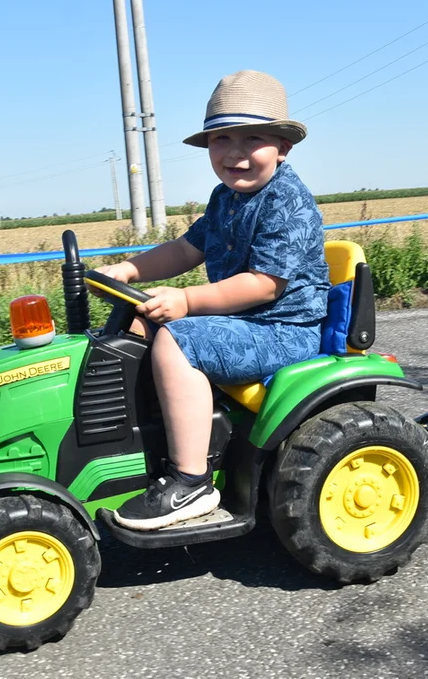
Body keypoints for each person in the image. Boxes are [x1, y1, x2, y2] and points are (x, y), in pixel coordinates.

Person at [94, 70, 330, 530]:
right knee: (134, 329)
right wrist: (129, 269)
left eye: (253, 138)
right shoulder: (225, 199)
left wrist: (185, 301)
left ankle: (192, 480)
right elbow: (186, 249)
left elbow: (264, 285)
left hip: (280, 329)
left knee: (178, 341)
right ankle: (138, 446)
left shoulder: (287, 201)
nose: (236, 153)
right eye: (222, 139)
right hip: (243, 322)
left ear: (283, 147)